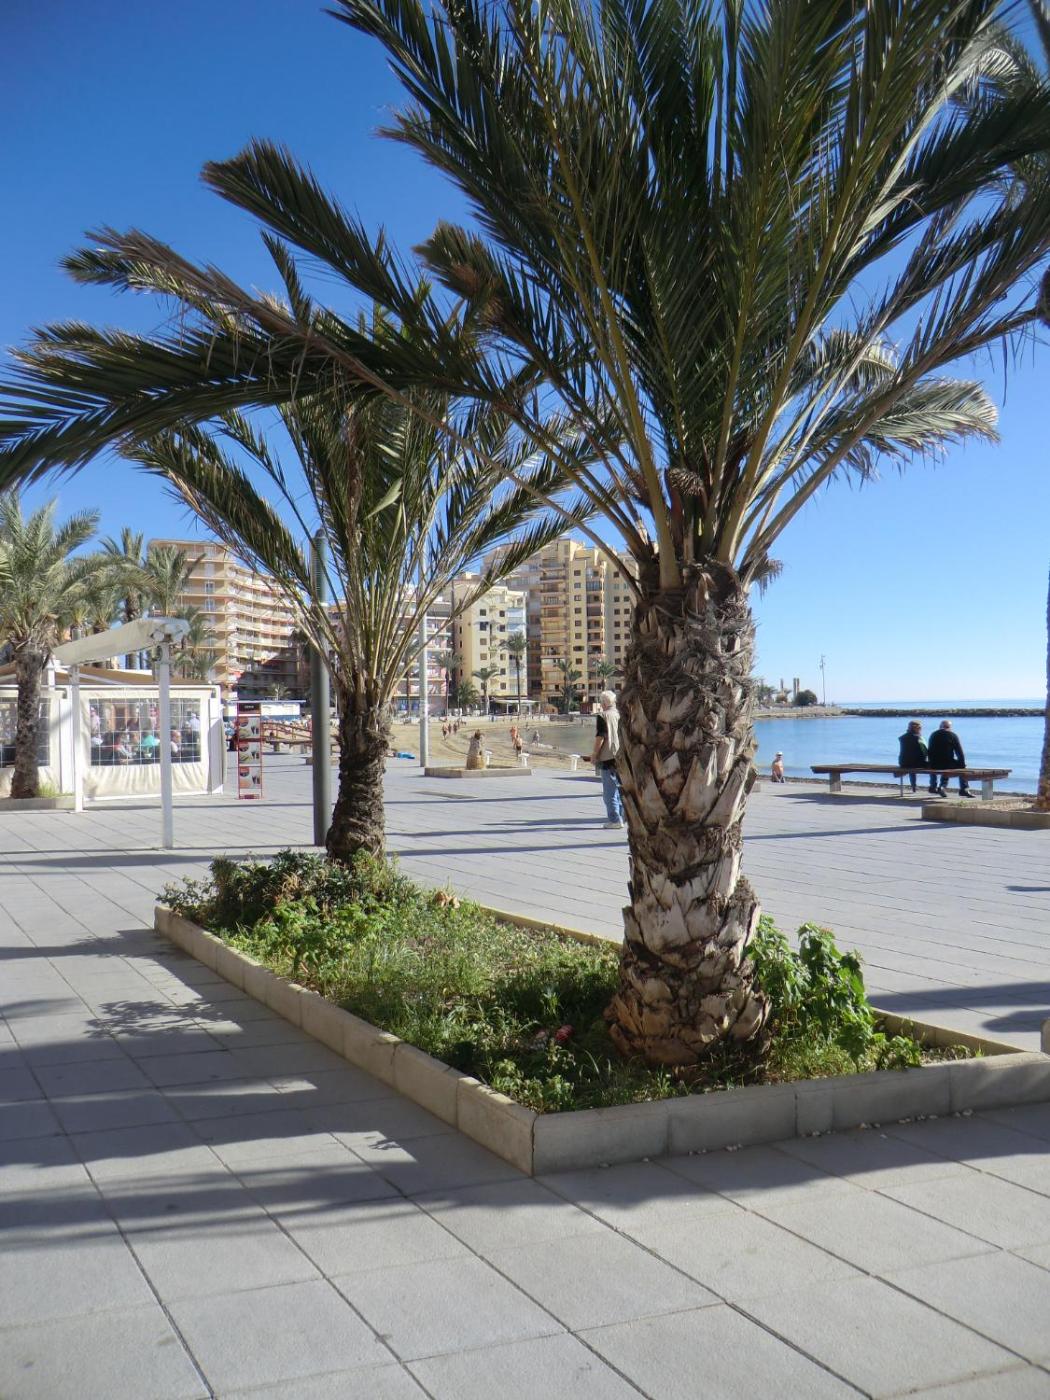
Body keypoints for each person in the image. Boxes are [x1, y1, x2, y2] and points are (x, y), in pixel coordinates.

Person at [589, 689, 623, 829]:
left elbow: (601, 737)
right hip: (621, 756)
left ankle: (615, 820)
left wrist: (594, 754)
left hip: (608, 757)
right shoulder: (619, 714)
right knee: (620, 789)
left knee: (609, 792)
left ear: (603, 703)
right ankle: (622, 817)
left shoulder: (603, 716)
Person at [928, 720, 975, 797]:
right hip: (947, 764)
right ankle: (964, 789)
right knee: (959, 767)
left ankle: (937, 786)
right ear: (949, 727)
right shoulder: (952, 735)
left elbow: (929, 750)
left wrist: (930, 762)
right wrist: (962, 765)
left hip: (933, 764)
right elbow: (959, 752)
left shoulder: (933, 734)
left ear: (940, 727)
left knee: (946, 765)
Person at [897, 720, 930, 793]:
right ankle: (933, 786)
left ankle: (913, 786)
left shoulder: (903, 737)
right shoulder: (919, 738)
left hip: (903, 762)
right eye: (920, 728)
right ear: (918, 728)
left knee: (911, 764)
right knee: (933, 765)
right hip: (916, 763)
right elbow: (925, 752)